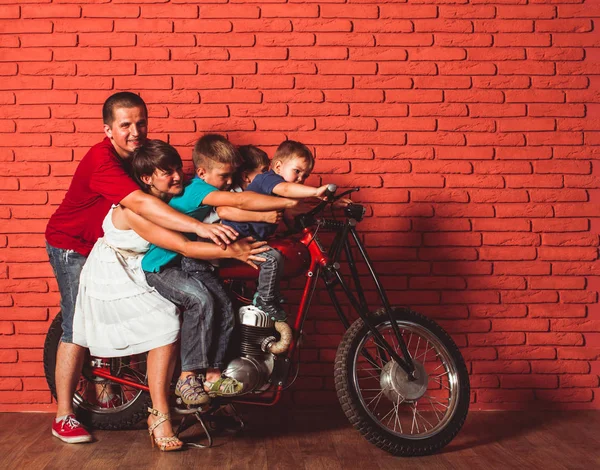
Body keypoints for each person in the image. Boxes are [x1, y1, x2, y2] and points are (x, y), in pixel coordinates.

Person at [45, 92, 239, 444]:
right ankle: (64, 415)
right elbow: (141, 203)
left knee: (166, 314)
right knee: (76, 324)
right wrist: (198, 227)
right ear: (108, 130)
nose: (135, 132)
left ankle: (173, 403)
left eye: (141, 123)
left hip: (128, 249)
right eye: (125, 125)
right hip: (73, 245)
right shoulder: (102, 161)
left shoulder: (144, 156)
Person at [71, 140, 268, 451]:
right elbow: (185, 245)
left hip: (156, 265)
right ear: (148, 178)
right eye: (168, 172)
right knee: (167, 325)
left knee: (216, 301)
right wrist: (234, 249)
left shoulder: (179, 194)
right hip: (118, 272)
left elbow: (213, 210)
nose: (179, 176)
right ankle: (161, 414)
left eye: (178, 168)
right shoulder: (135, 209)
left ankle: (209, 381)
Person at [142, 134, 301, 406]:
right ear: (203, 172)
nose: (230, 182)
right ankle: (188, 376)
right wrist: (285, 202)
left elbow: (234, 206)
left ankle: (213, 377)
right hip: (163, 265)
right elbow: (237, 205)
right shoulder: (197, 189)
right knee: (200, 300)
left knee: (225, 304)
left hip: (186, 262)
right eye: (224, 176)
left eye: (232, 176)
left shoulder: (209, 192)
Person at [221, 140, 330, 323]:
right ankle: (264, 298)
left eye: (305, 175)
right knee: (272, 260)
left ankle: (270, 293)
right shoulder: (268, 179)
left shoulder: (281, 192)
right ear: (278, 166)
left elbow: (299, 208)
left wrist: (332, 203)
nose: (300, 179)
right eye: (297, 171)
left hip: (251, 238)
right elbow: (287, 188)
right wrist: (315, 191)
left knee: (280, 255)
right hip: (237, 237)